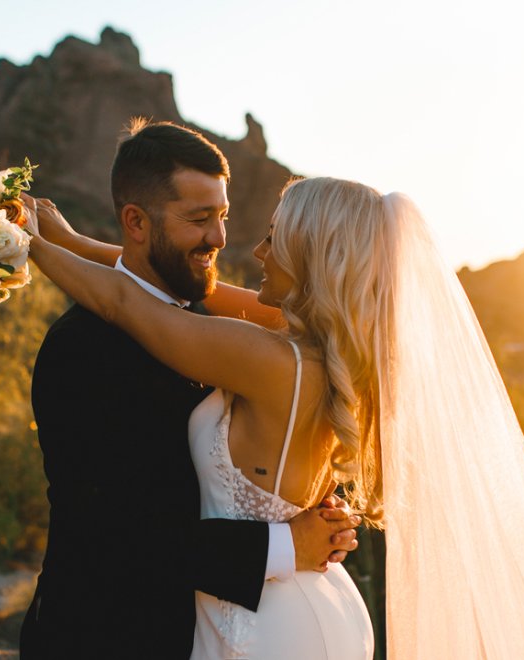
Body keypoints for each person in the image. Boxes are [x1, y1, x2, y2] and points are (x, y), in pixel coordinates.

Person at [28, 171, 524, 658]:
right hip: (305, 598)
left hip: (268, 621)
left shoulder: (272, 359)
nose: (258, 251)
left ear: (310, 255)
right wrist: (72, 241)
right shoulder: (333, 350)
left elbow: (128, 302)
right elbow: (195, 292)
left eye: (275, 238)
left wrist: (19, 241)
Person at [19, 121, 363, 659]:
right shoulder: (81, 347)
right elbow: (109, 532)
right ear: (135, 221)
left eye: (223, 216)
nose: (225, 241)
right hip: (105, 637)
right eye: (201, 219)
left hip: (251, 624)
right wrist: (286, 539)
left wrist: (296, 507)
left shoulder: (224, 332)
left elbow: (133, 299)